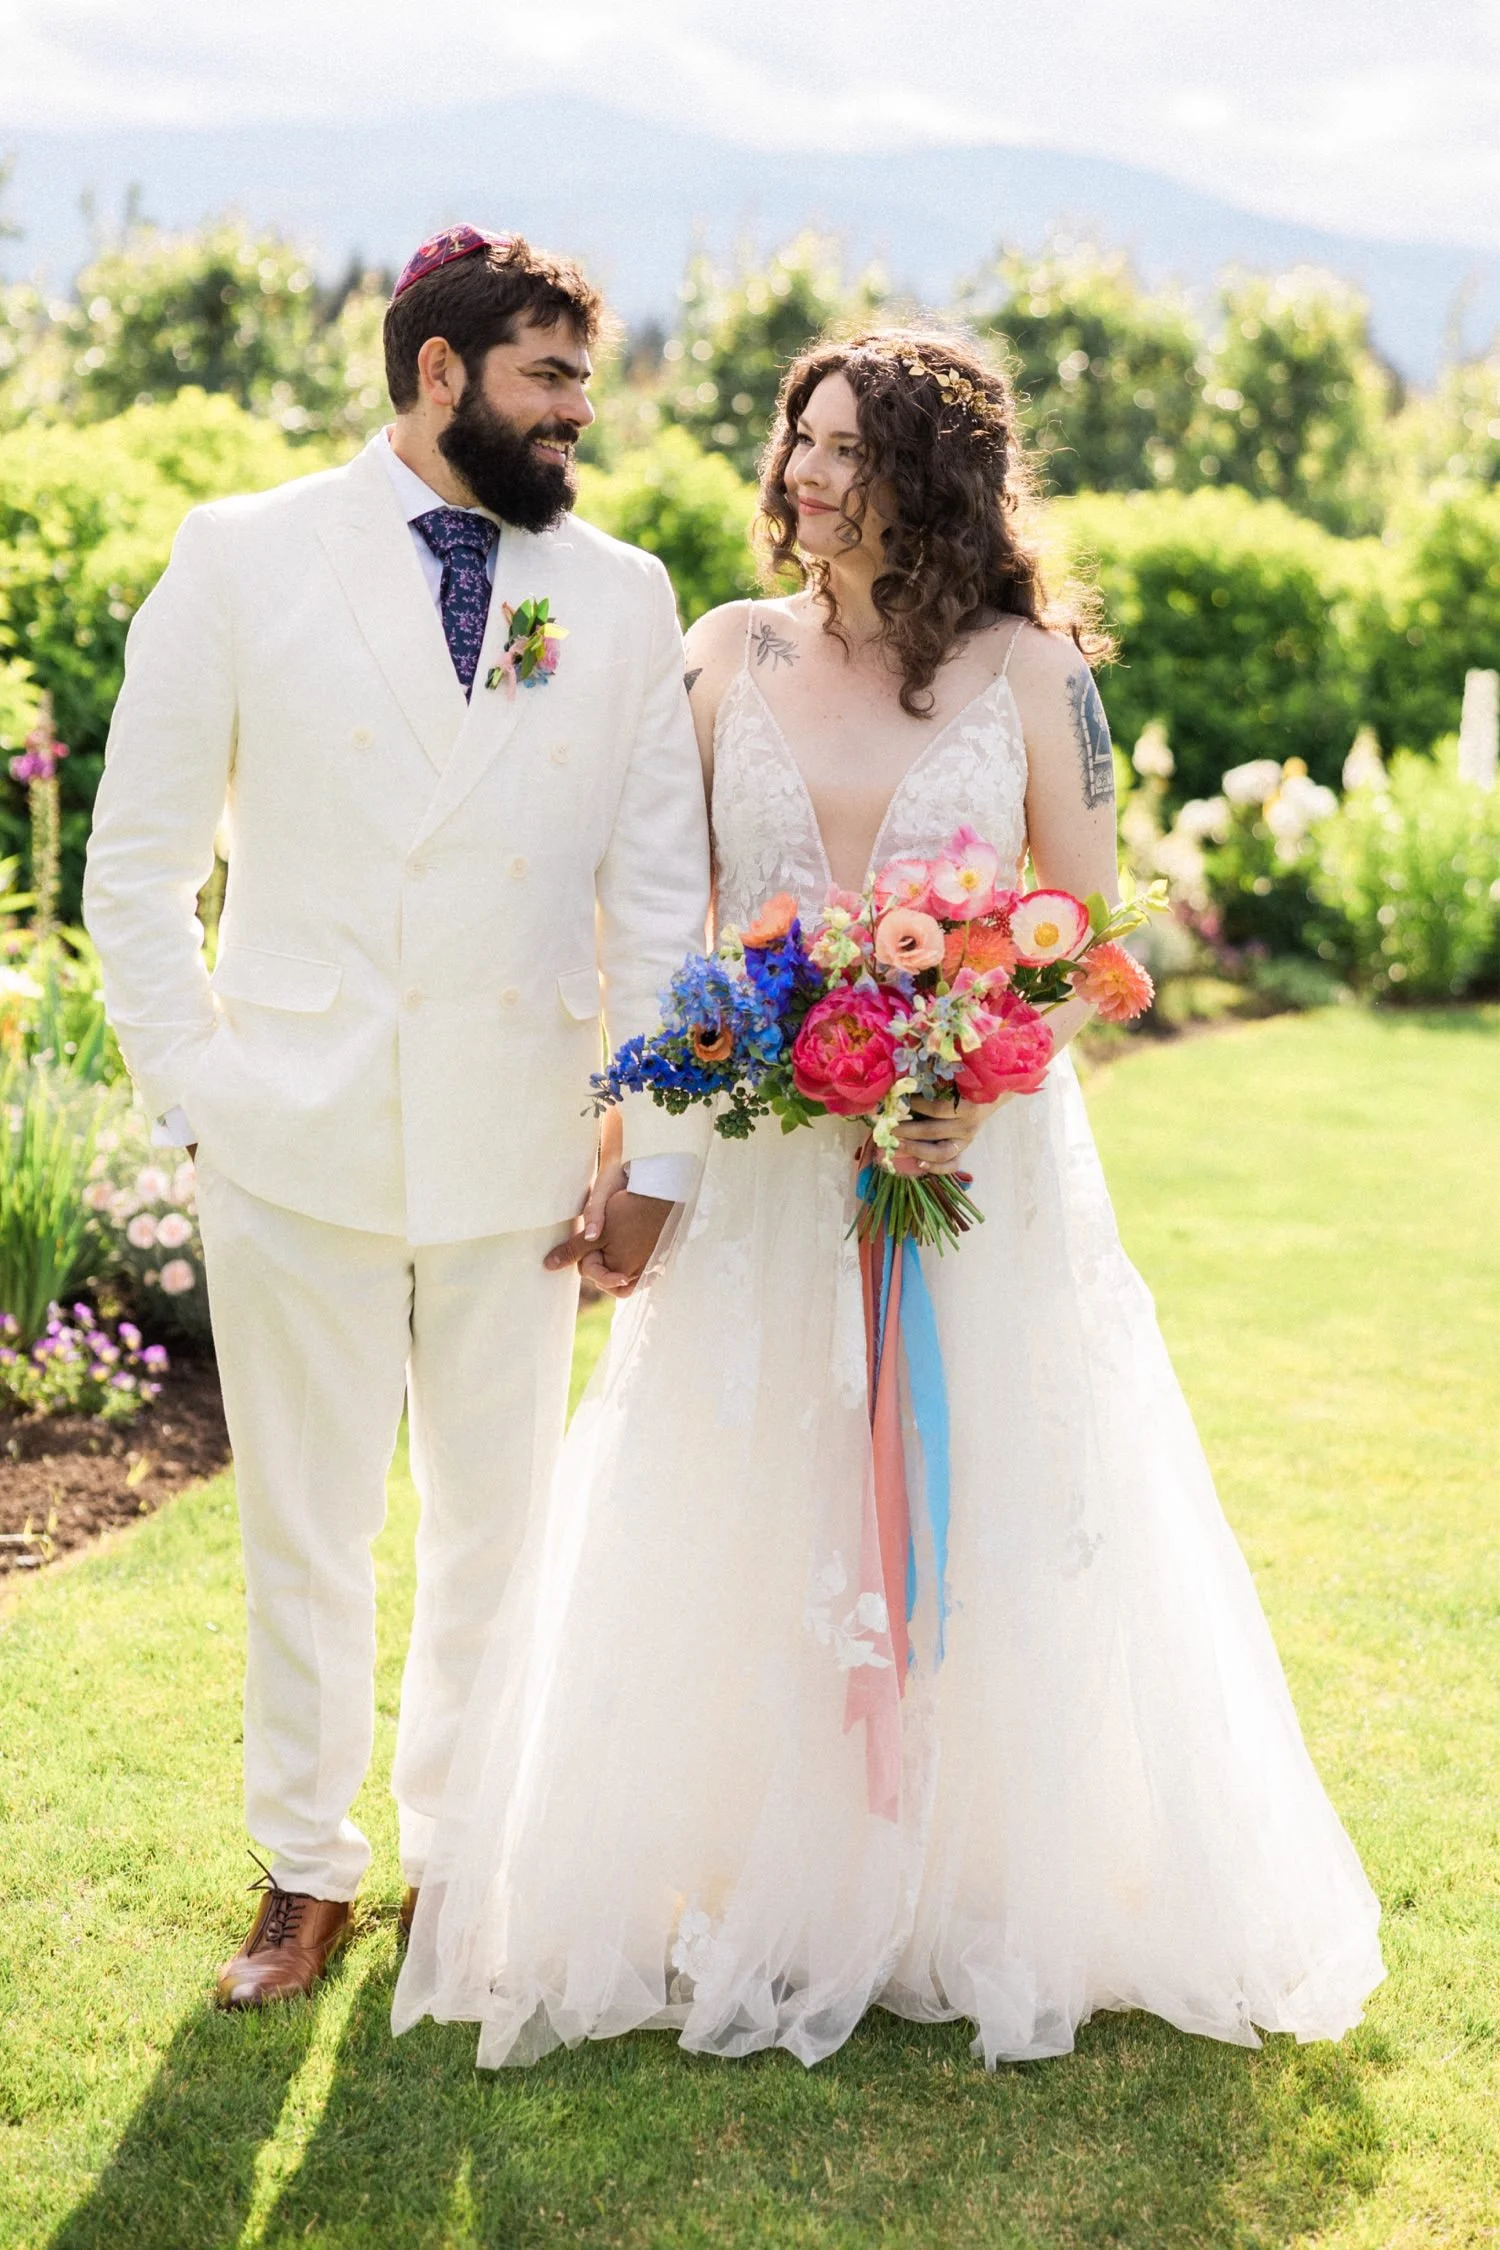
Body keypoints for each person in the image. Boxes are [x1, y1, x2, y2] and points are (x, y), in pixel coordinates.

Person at [394, 330, 1384, 2070]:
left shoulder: (1033, 670)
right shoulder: (720, 652)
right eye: (799, 440)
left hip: (967, 1165)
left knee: (989, 1493)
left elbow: (1090, 935)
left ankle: (965, 1871)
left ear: (932, 475)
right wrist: (644, 1131)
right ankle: (750, 1858)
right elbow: (657, 916)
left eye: (847, 447)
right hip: (775, 1170)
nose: (806, 475)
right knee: (752, 1489)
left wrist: (973, 1065)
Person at [83, 227, 711, 2007]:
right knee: (301, 1519)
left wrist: (653, 1151)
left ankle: (462, 1860)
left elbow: (656, 902)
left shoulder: (621, 591)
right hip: (291, 1133)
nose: (578, 413)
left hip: (521, 1145)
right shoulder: (242, 554)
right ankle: (304, 1872)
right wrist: (194, 1090)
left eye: (583, 380)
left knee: (497, 1527)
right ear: (439, 375)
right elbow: (134, 868)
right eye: (549, 377)